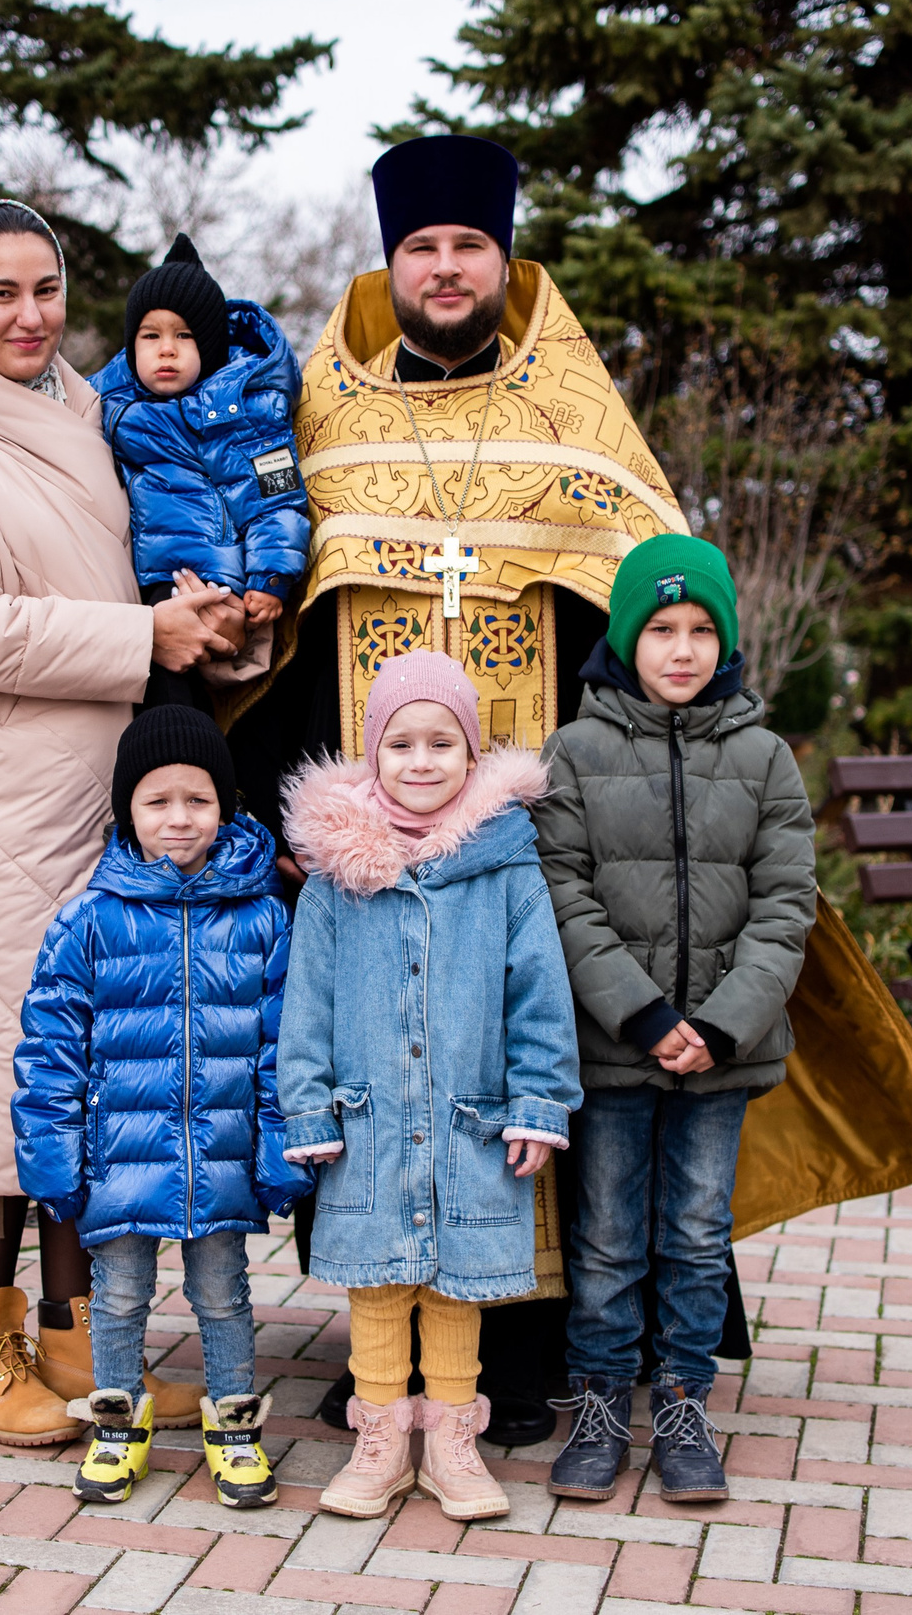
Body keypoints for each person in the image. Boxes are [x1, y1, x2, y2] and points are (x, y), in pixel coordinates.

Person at [225, 134, 691, 1442]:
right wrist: (285, 808)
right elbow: (290, 628)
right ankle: (384, 1357)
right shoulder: (326, 405)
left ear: (503, 259)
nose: (443, 269)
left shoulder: (572, 406)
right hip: (370, 823)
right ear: (394, 262)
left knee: (509, 1066)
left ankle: (528, 1345)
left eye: (465, 248)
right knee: (378, 1067)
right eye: (421, 249)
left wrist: (601, 788)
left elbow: (648, 596)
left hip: (520, 827)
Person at [0, 199, 248, 1446]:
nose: (28, 317)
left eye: (45, 290)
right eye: (0, 293)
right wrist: (145, 638)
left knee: (87, 1073)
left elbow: (125, 569)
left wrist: (206, 615)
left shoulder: (91, 415)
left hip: (98, 805)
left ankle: (84, 1342)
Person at [531, 537, 816, 1503]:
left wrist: (722, 1024)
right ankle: (603, 1401)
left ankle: (685, 1402)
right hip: (616, 1047)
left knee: (696, 1235)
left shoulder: (765, 756)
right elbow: (562, 896)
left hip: (721, 1056)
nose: (683, 649)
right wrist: (645, 1015)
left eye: (702, 630)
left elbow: (787, 908)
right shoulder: (575, 751)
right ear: (626, 636)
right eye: (661, 629)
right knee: (606, 1236)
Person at [276, 650, 581, 1521]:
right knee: (379, 1279)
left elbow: (539, 994)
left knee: (455, 1281)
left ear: (471, 753)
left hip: (468, 1118)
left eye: (441, 742)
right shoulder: (338, 878)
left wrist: (536, 1102)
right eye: (401, 742)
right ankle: (381, 1439)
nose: (420, 760)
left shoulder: (506, 868)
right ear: (373, 754)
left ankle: (452, 1438)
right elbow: (309, 1002)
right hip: (370, 1120)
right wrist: (308, 1102)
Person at [10, 706, 314, 1508]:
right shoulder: (89, 921)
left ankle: (236, 1430)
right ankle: (116, 1428)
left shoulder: (260, 919)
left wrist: (279, 1148)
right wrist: (52, 1156)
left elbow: (283, 1044)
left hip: (221, 1153)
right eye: (157, 801)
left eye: (198, 799)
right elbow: (49, 1048)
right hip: (120, 1158)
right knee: (116, 1297)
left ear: (226, 806)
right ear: (127, 812)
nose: (179, 818)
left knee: (224, 1294)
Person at [93, 235, 309, 709]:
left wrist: (271, 576)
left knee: (201, 709)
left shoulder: (249, 415)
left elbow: (278, 495)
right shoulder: (110, 406)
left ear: (210, 347)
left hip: (216, 581)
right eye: (151, 336)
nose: (165, 350)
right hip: (135, 591)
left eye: (184, 336)